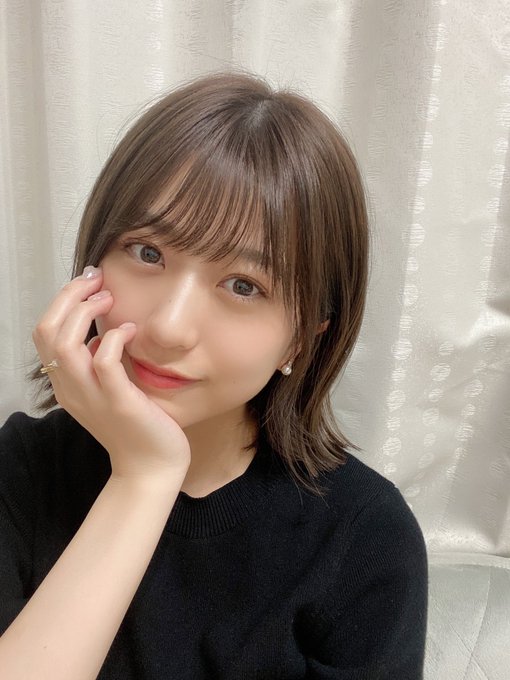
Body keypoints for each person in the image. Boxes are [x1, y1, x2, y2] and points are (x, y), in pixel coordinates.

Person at [0, 71, 428, 679]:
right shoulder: (21, 471)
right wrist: (143, 477)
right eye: (148, 252)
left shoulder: (365, 537)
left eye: (244, 286)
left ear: (303, 337)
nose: (169, 328)